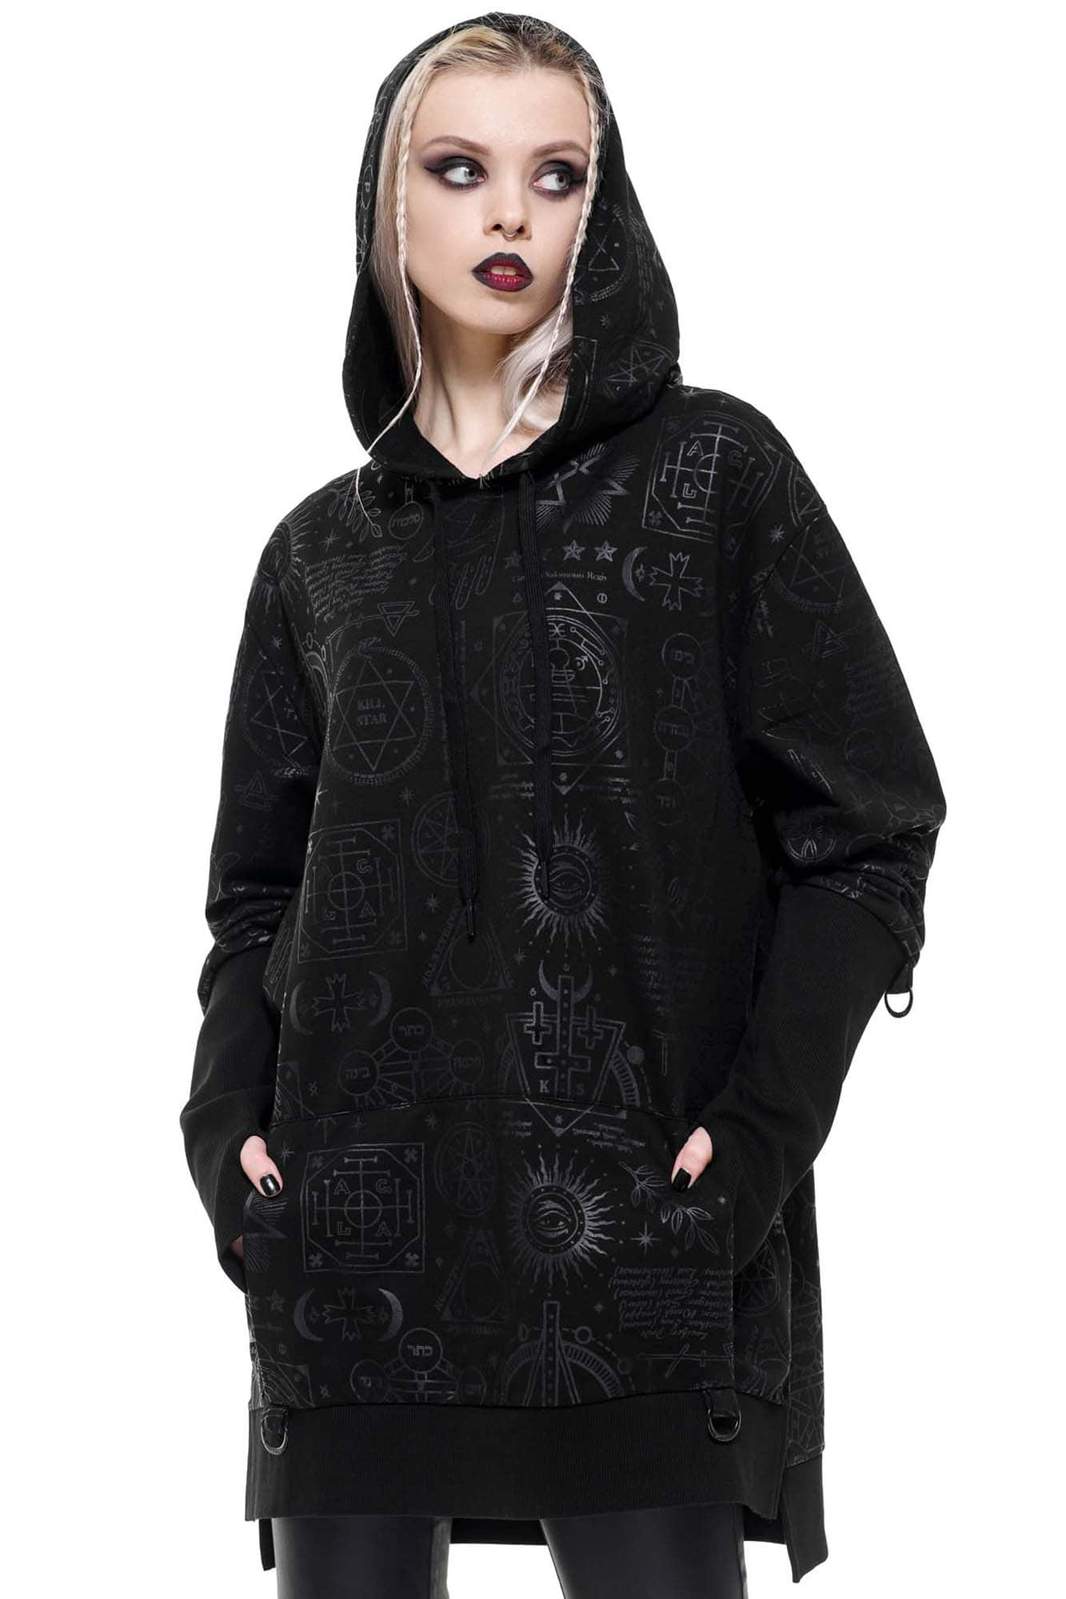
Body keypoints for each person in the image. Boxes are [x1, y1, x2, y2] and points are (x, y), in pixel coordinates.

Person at [179, 12, 947, 1597]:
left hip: (636, 1244)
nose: (511, 215)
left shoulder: (712, 476)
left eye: (558, 175)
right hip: (354, 1259)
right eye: (459, 169)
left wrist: (751, 1143)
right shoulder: (320, 550)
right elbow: (259, 893)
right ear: (387, 200)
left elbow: (867, 831)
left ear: (607, 203)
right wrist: (226, 1123)